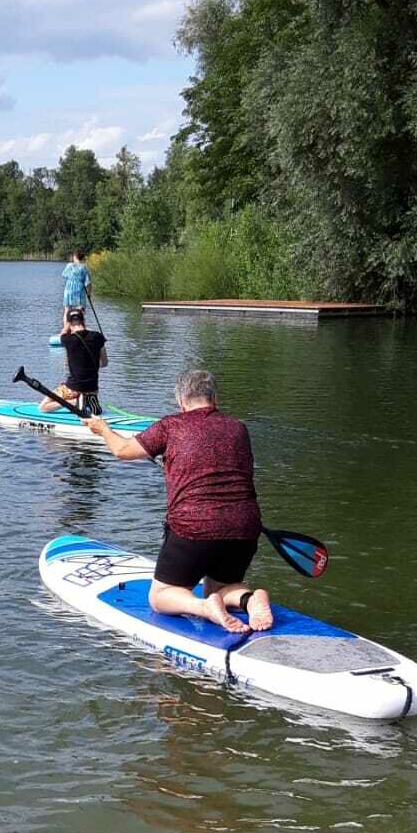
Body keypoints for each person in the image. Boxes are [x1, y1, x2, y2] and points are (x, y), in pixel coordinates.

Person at [85, 367, 273, 633]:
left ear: (181, 402)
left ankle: (205, 607)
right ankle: (249, 599)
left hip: (193, 528)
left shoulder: (171, 425)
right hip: (244, 527)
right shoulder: (238, 428)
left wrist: (102, 429)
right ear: (214, 399)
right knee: (218, 587)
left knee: (160, 596)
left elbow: (122, 450)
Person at [40, 303, 107, 417]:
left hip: (73, 389)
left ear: (69, 323)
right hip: (93, 389)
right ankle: (88, 400)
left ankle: (75, 402)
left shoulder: (67, 340)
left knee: (43, 407)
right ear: (83, 320)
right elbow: (104, 363)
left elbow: (63, 332)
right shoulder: (98, 337)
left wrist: (66, 326)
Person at [60, 248, 91, 322]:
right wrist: (89, 294)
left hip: (69, 289)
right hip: (80, 290)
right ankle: (80, 326)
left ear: (75, 256)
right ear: (82, 257)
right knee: (80, 309)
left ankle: (66, 328)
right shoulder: (84, 267)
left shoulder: (69, 265)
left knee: (67, 309)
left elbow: (64, 274)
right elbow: (88, 283)